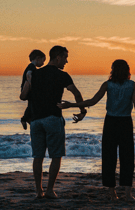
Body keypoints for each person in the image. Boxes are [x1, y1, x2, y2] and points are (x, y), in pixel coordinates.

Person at [57, 60, 135, 201]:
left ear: (113, 70)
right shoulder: (132, 85)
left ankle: (112, 192)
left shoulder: (108, 85)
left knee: (109, 157)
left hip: (111, 122)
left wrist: (72, 105)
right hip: (125, 122)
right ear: (127, 70)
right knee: (127, 158)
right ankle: (127, 194)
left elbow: (92, 102)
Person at [19, 45, 87, 199]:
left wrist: (29, 83)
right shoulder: (62, 75)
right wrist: (82, 111)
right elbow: (76, 93)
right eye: (65, 57)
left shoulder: (34, 74)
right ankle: (49, 190)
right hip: (53, 119)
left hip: (36, 121)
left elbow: (24, 96)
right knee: (56, 156)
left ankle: (38, 191)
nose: (66, 61)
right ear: (58, 57)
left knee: (38, 157)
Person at [20, 49, 46, 130]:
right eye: (43, 60)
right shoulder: (32, 67)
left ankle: (26, 118)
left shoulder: (31, 66)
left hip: (28, 88)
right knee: (32, 104)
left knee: (31, 104)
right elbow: (29, 74)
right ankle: (25, 118)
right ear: (38, 58)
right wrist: (31, 84)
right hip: (28, 89)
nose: (43, 63)